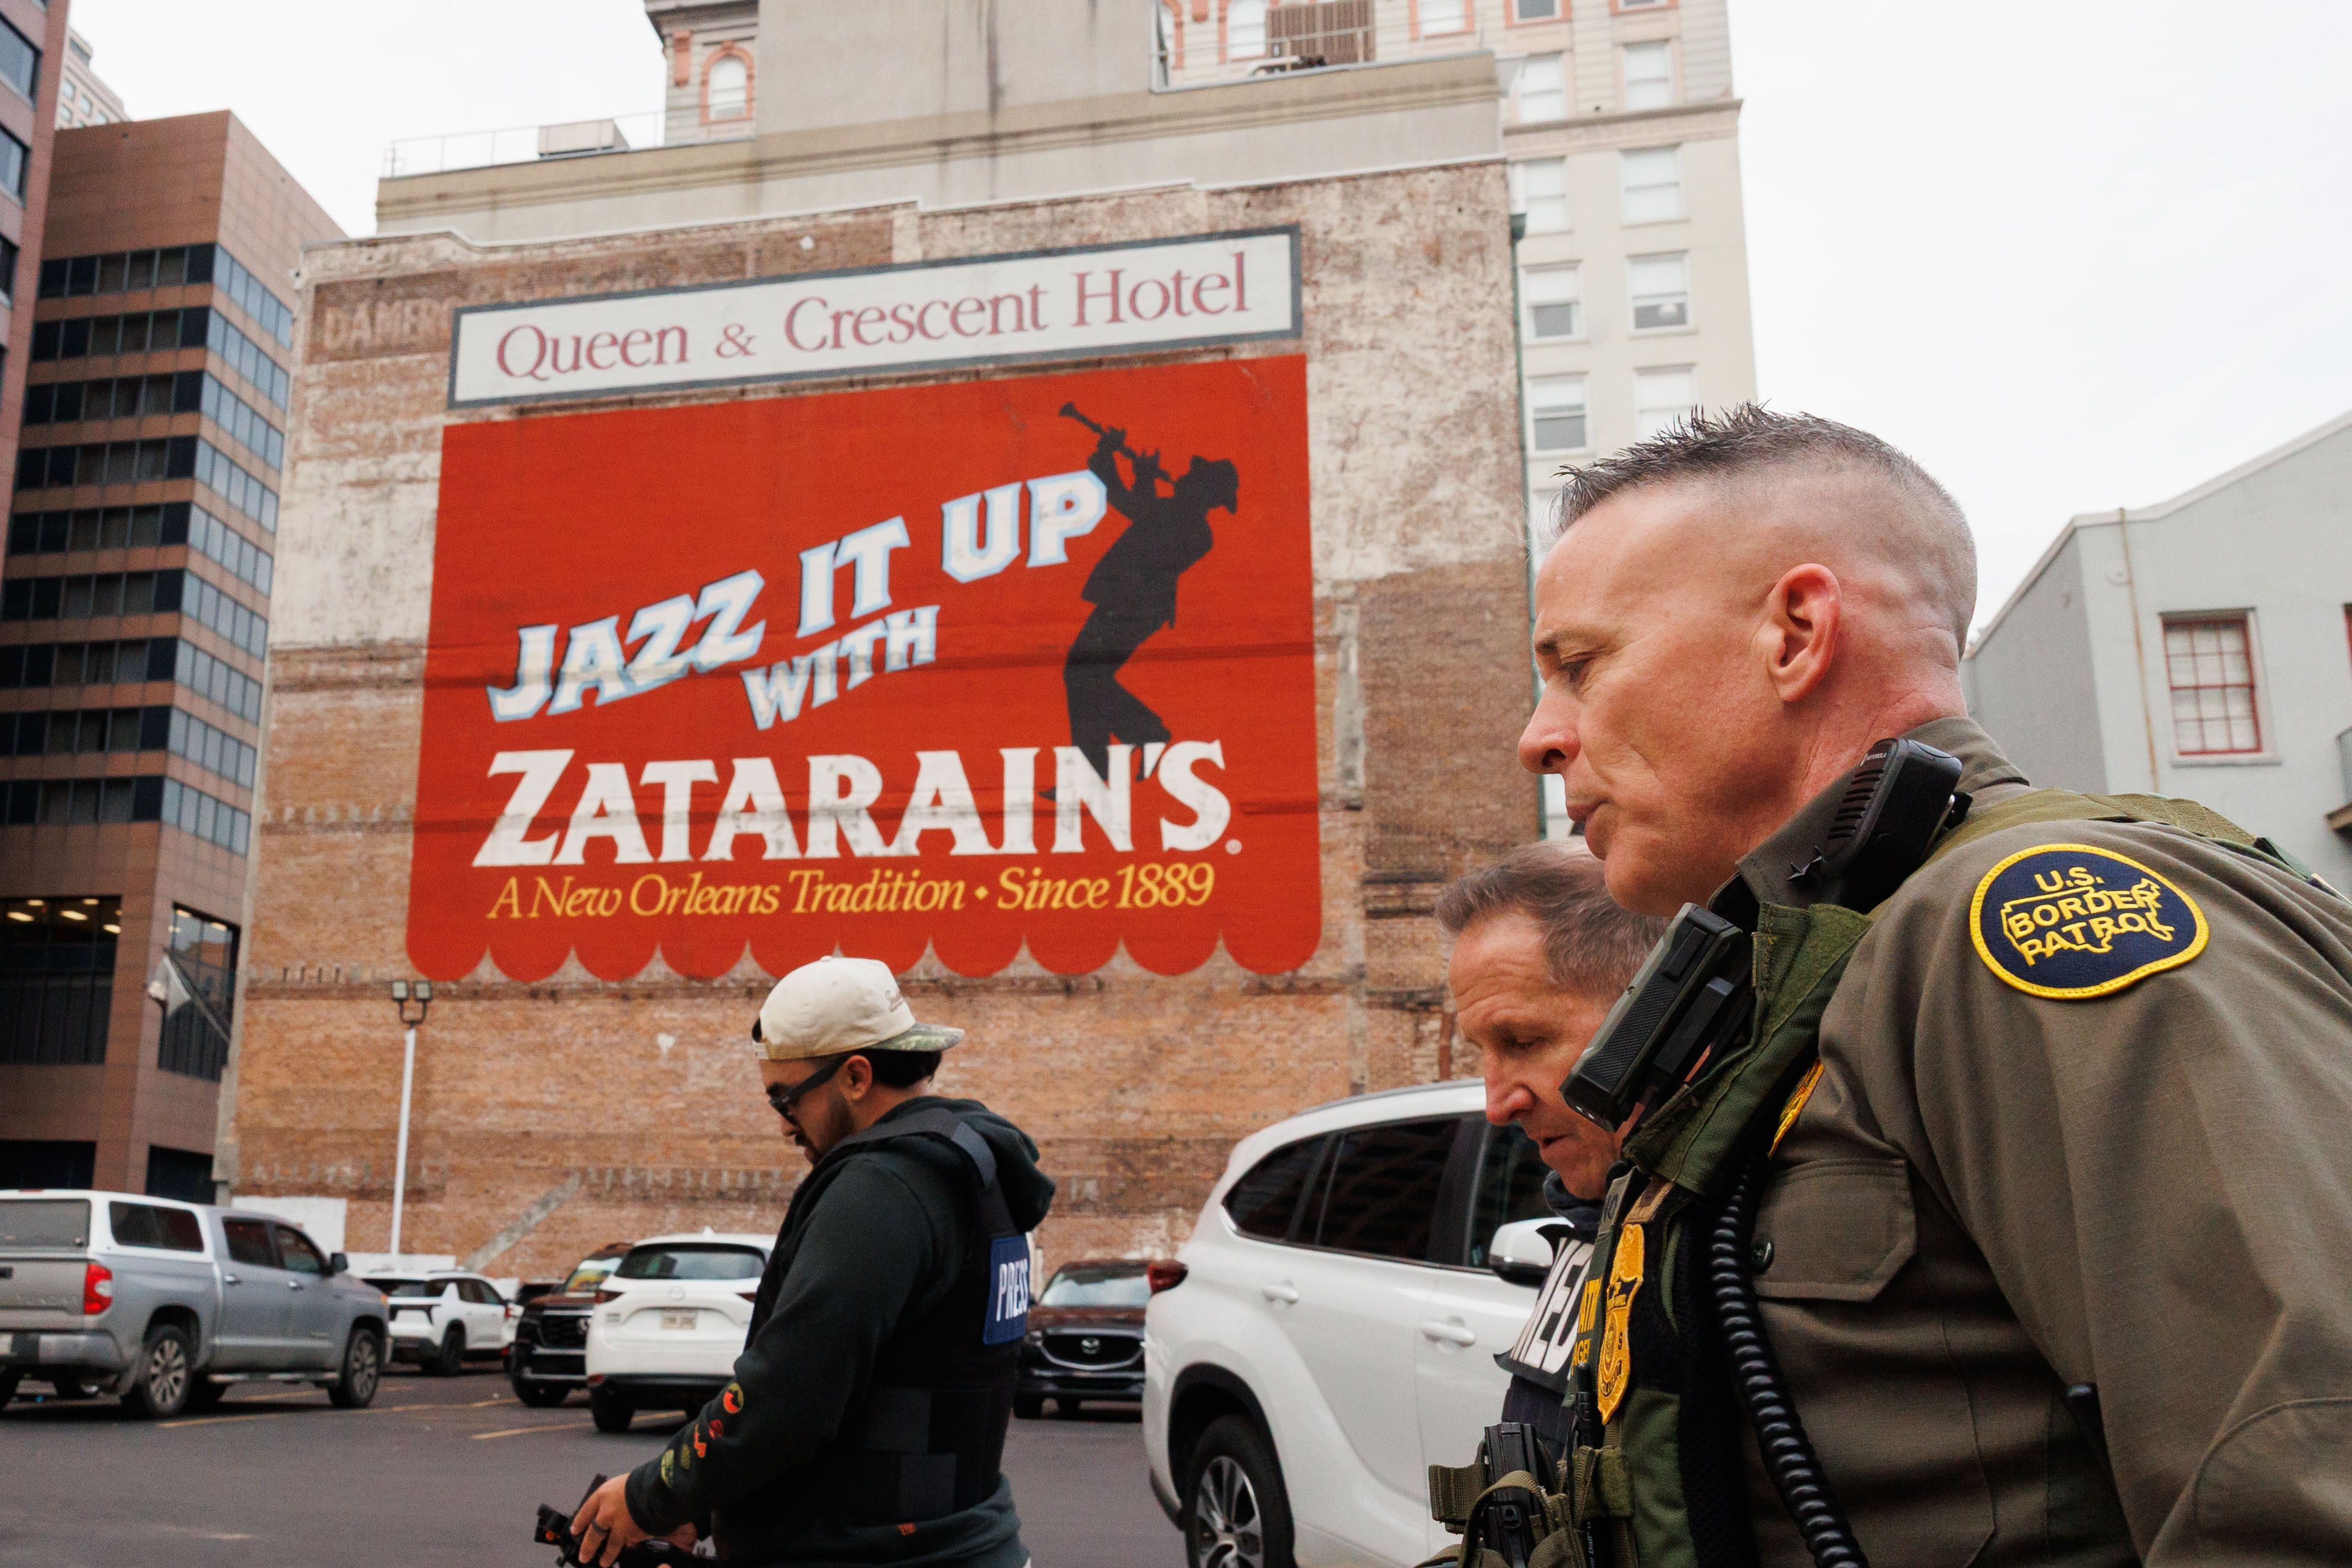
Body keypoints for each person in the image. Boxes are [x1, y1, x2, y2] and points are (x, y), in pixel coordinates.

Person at [1509, 403, 2352, 1567]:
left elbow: (2298, 1488)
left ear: (1797, 631)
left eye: (1582, 665)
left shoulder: (2032, 914)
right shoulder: (1816, 963)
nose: (1540, 738)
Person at [570, 956, 1055, 1568]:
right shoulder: (972, 1174)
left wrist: (650, 1497)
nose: (783, 1126)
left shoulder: (882, 1191)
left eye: (786, 1099)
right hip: (960, 1539)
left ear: (855, 1076)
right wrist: (702, 1504)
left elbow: (789, 1398)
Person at [1434, 840, 1663, 1446]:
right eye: (1482, 1052)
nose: (1497, 1104)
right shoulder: (1601, 1224)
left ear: (1658, 1013)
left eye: (1525, 1041)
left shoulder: (1732, 1248)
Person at [1061, 414, 1238, 779]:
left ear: (1202, 492)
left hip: (1134, 607)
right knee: (1087, 677)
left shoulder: (1194, 530)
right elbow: (1130, 503)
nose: (1184, 476)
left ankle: (1144, 734)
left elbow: (1138, 511)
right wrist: (1107, 456)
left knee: (1083, 675)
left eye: (1194, 477)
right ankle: (1101, 764)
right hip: (1127, 604)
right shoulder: (1177, 513)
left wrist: (1140, 473)